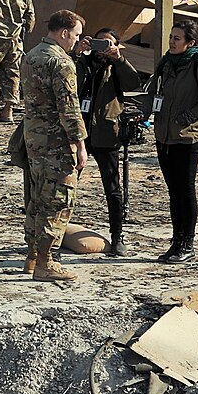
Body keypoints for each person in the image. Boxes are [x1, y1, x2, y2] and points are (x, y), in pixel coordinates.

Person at [19, 9, 88, 282]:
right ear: (64, 32)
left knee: (37, 198)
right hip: (56, 143)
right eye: (76, 35)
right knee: (58, 201)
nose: (76, 40)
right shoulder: (60, 63)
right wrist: (80, 144)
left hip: (33, 139)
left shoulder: (32, 56)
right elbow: (69, 108)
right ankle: (46, 262)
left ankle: (32, 257)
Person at [149, 18, 198, 264]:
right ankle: (176, 241)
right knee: (173, 191)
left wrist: (184, 119)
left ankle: (187, 243)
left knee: (185, 189)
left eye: (177, 38)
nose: (171, 42)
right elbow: (155, 92)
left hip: (187, 136)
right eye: (171, 37)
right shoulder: (166, 64)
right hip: (164, 135)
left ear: (191, 43)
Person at [75, 26, 144, 255]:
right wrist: (76, 53)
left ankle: (117, 235)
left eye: (107, 44)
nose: (101, 48)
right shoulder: (81, 63)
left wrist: (118, 59)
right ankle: (53, 234)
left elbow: (133, 83)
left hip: (106, 132)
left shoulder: (116, 67)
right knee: (66, 185)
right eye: (98, 42)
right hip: (78, 132)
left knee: (113, 189)